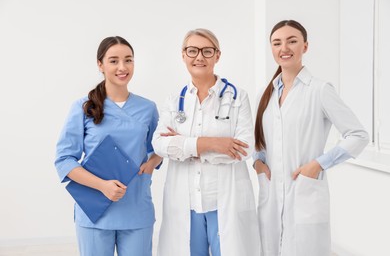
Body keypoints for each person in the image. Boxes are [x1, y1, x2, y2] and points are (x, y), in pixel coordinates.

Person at [253, 20, 369, 256]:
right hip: (271, 196)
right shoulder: (265, 95)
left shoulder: (320, 90)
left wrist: (318, 165)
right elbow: (262, 141)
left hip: (304, 192)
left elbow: (358, 135)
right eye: (277, 43)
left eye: (292, 41)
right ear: (272, 49)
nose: (284, 48)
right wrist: (258, 162)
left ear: (305, 46)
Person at [152, 28, 261, 256]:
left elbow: (244, 148)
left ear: (217, 55)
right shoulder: (175, 99)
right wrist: (212, 143)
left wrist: (184, 146)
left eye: (207, 51)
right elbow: (160, 145)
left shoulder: (237, 97)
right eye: (192, 50)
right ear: (183, 55)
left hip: (223, 201)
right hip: (187, 201)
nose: (199, 57)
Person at [54, 36, 162, 256]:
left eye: (128, 60)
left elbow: (159, 148)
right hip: (94, 213)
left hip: (135, 208)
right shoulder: (83, 107)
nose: (122, 67)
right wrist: (102, 186)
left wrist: (153, 162)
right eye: (113, 61)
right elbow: (64, 160)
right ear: (100, 65)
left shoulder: (148, 108)